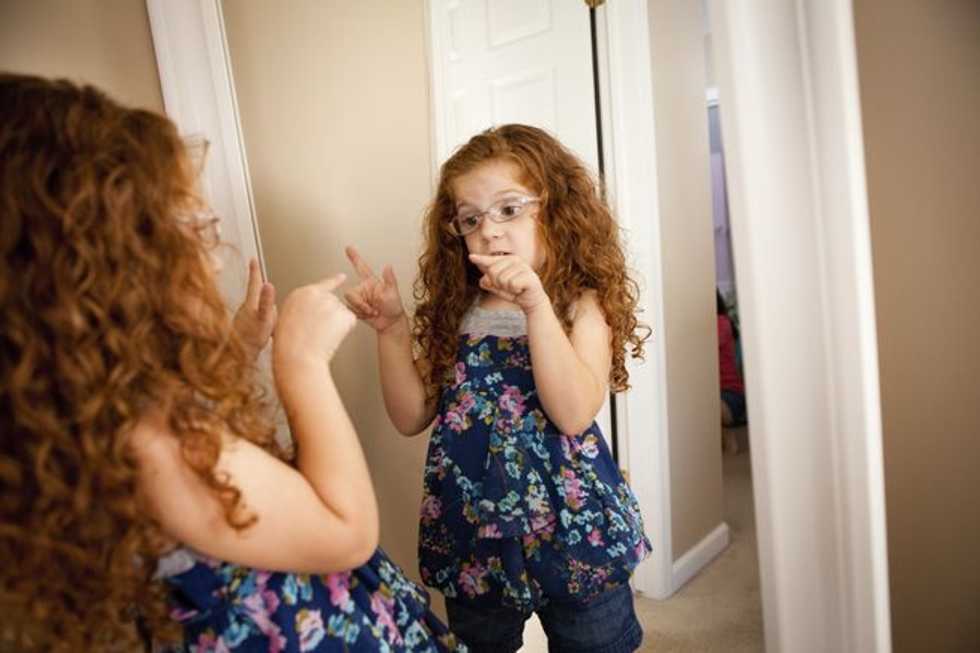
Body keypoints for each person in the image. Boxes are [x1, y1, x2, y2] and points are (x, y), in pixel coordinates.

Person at [0, 73, 464, 653]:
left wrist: (238, 352)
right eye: (187, 227)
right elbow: (346, 533)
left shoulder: (103, 412)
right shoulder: (151, 444)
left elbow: (216, 474)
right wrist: (301, 362)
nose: (208, 250)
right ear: (106, 262)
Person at [344, 124, 652, 653]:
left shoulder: (581, 305)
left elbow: (574, 412)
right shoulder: (460, 313)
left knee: (598, 642)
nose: (488, 231)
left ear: (556, 209)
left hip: (573, 528)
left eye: (509, 209)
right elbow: (411, 414)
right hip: (472, 527)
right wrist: (392, 330)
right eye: (471, 219)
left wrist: (535, 305)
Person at [717, 290, 746, 453]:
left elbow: (702, 348)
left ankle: (727, 435)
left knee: (707, 405)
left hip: (730, 395)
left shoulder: (722, 322)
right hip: (717, 396)